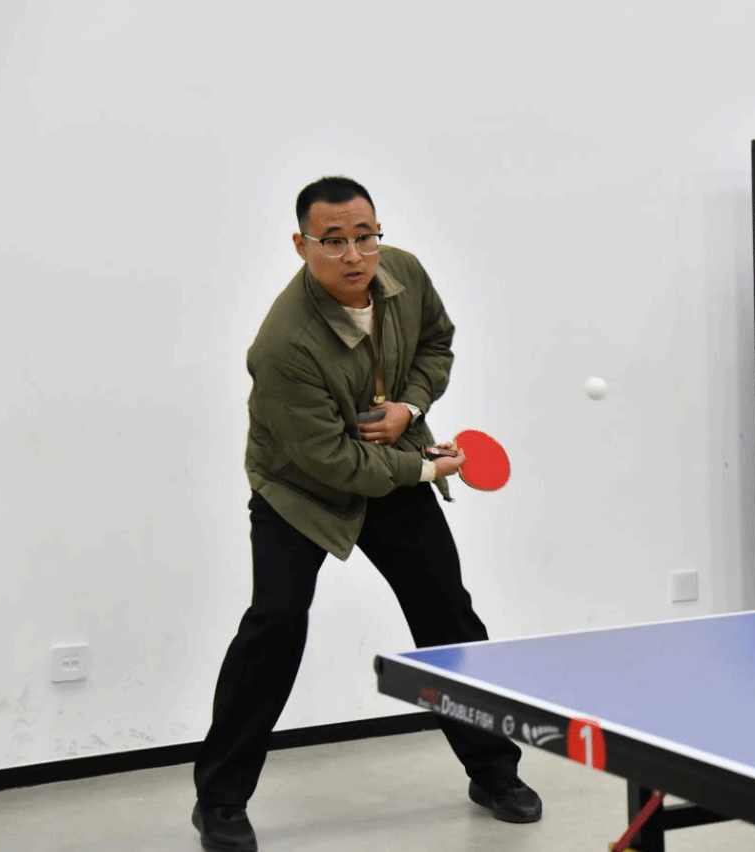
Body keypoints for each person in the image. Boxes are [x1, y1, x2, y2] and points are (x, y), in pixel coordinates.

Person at [191, 177, 540, 852]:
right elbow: (332, 462)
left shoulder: (403, 274)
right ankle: (220, 801)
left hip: (392, 461)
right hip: (300, 488)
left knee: (448, 616)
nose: (354, 255)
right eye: (333, 241)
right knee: (274, 625)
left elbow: (437, 344)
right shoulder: (283, 346)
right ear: (302, 246)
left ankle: (494, 771)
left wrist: (410, 407)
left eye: (364, 236)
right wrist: (425, 470)